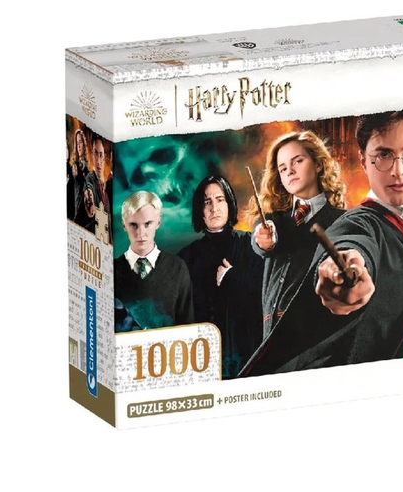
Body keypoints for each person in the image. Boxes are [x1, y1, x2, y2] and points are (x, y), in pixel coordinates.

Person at [240, 109, 403, 376]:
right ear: (363, 160)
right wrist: (341, 270)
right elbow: (351, 240)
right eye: (383, 155)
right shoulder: (357, 221)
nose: (398, 171)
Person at [249, 130, 346, 341]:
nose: (290, 171)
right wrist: (264, 239)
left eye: (298, 161)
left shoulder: (342, 220)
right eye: (283, 168)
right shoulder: (272, 220)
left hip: (318, 334)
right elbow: (260, 238)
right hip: (272, 335)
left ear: (318, 164)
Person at [178, 175, 264, 379]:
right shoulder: (186, 257)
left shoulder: (251, 246)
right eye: (207, 202)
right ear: (200, 210)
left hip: (246, 354)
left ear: (229, 204)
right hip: (202, 359)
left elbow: (265, 296)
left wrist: (233, 277)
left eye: (220, 199)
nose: (214, 208)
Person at [114, 191, 194, 332]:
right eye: (133, 225)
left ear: (158, 222)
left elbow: (187, 327)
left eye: (147, 224)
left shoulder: (178, 268)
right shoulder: (110, 271)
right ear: (124, 225)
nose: (141, 233)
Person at [75, 134, 112, 242]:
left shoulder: (106, 186)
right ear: (92, 154)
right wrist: (88, 198)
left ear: (104, 157)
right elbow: (88, 187)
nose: (98, 160)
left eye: (101, 155)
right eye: (95, 153)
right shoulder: (90, 178)